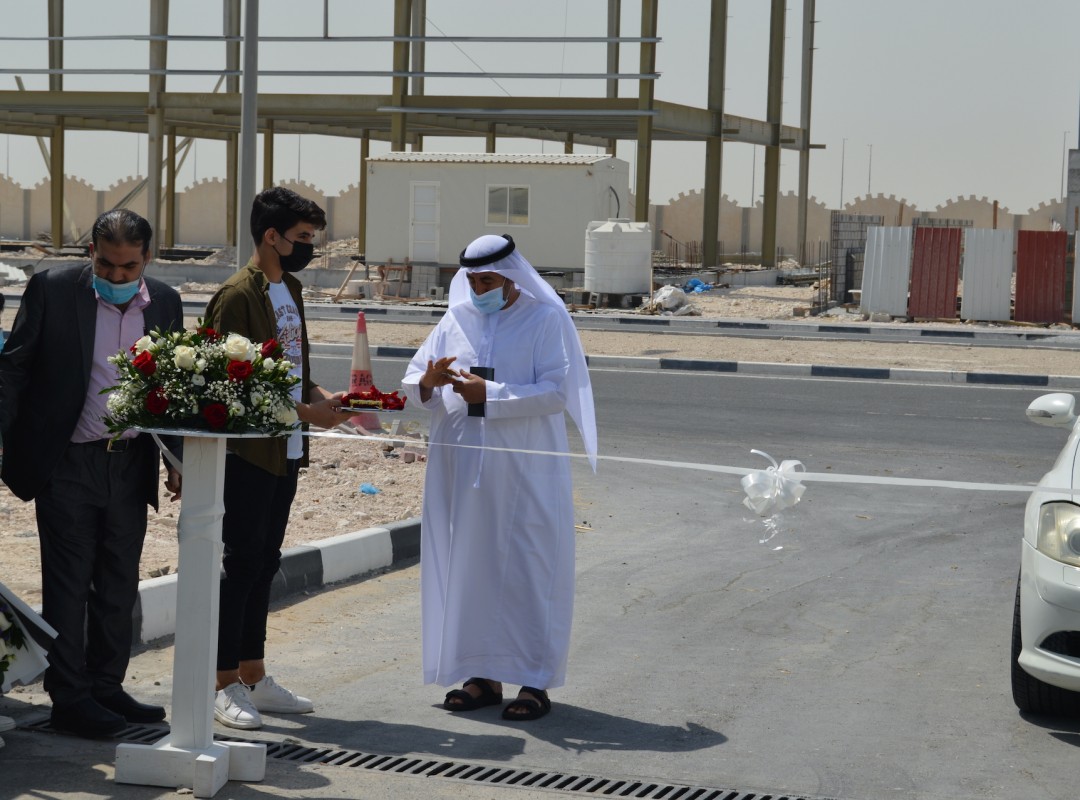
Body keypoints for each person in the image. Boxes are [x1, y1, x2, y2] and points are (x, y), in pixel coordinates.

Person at [0, 209, 183, 739]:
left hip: (129, 463)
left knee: (119, 584)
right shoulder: (53, 291)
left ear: (147, 257)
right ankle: (70, 699)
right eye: (107, 265)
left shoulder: (166, 303)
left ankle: (106, 685)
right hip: (67, 464)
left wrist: (175, 461)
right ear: (92, 254)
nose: (118, 277)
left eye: (129, 268)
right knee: (69, 585)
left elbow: (170, 389)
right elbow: (14, 368)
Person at [402, 233, 597, 721]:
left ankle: (535, 681)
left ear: (510, 277)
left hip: (525, 472)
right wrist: (427, 383)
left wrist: (488, 393)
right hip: (462, 470)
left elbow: (556, 392)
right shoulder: (456, 318)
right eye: (471, 280)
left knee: (529, 569)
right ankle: (481, 676)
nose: (478, 288)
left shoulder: (543, 318)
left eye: (487, 279)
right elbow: (414, 380)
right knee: (470, 568)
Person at [203, 186, 346, 730]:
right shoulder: (237, 295)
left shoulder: (292, 289)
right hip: (249, 451)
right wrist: (304, 414)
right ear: (272, 235)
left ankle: (254, 675)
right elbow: (230, 383)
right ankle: (222, 683)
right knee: (240, 564)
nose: (309, 248)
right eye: (303, 238)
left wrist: (318, 397)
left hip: (284, 447)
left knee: (264, 561)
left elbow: (286, 365)